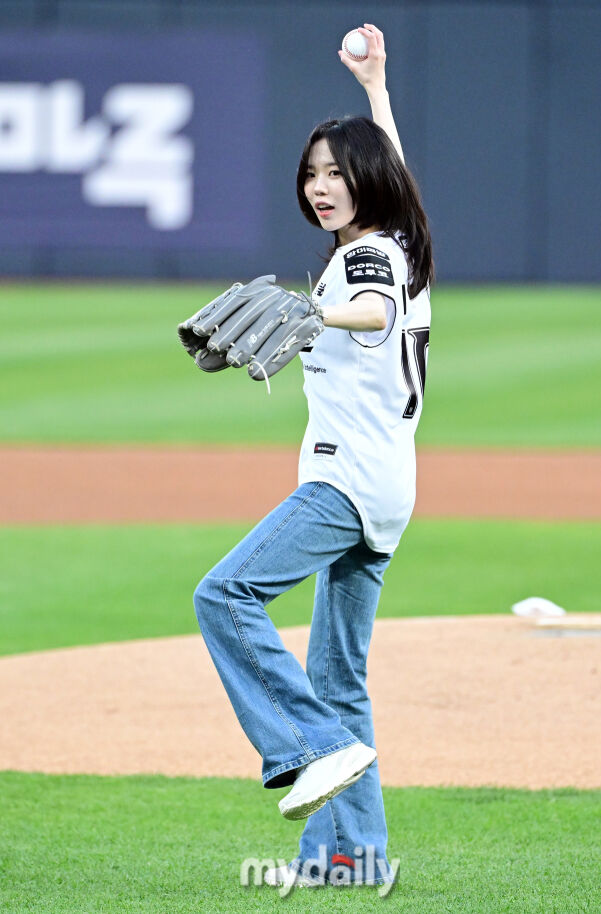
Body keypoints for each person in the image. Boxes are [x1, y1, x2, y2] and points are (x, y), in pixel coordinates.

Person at [193, 23, 434, 888]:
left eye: (337, 172)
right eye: (312, 173)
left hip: (346, 481)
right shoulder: (400, 240)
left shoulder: (367, 260)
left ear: (366, 181)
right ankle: (349, 858)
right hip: (386, 482)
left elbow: (372, 310)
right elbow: (394, 178)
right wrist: (376, 89)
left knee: (224, 593)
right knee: (336, 672)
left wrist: (316, 313)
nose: (320, 186)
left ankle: (310, 747)